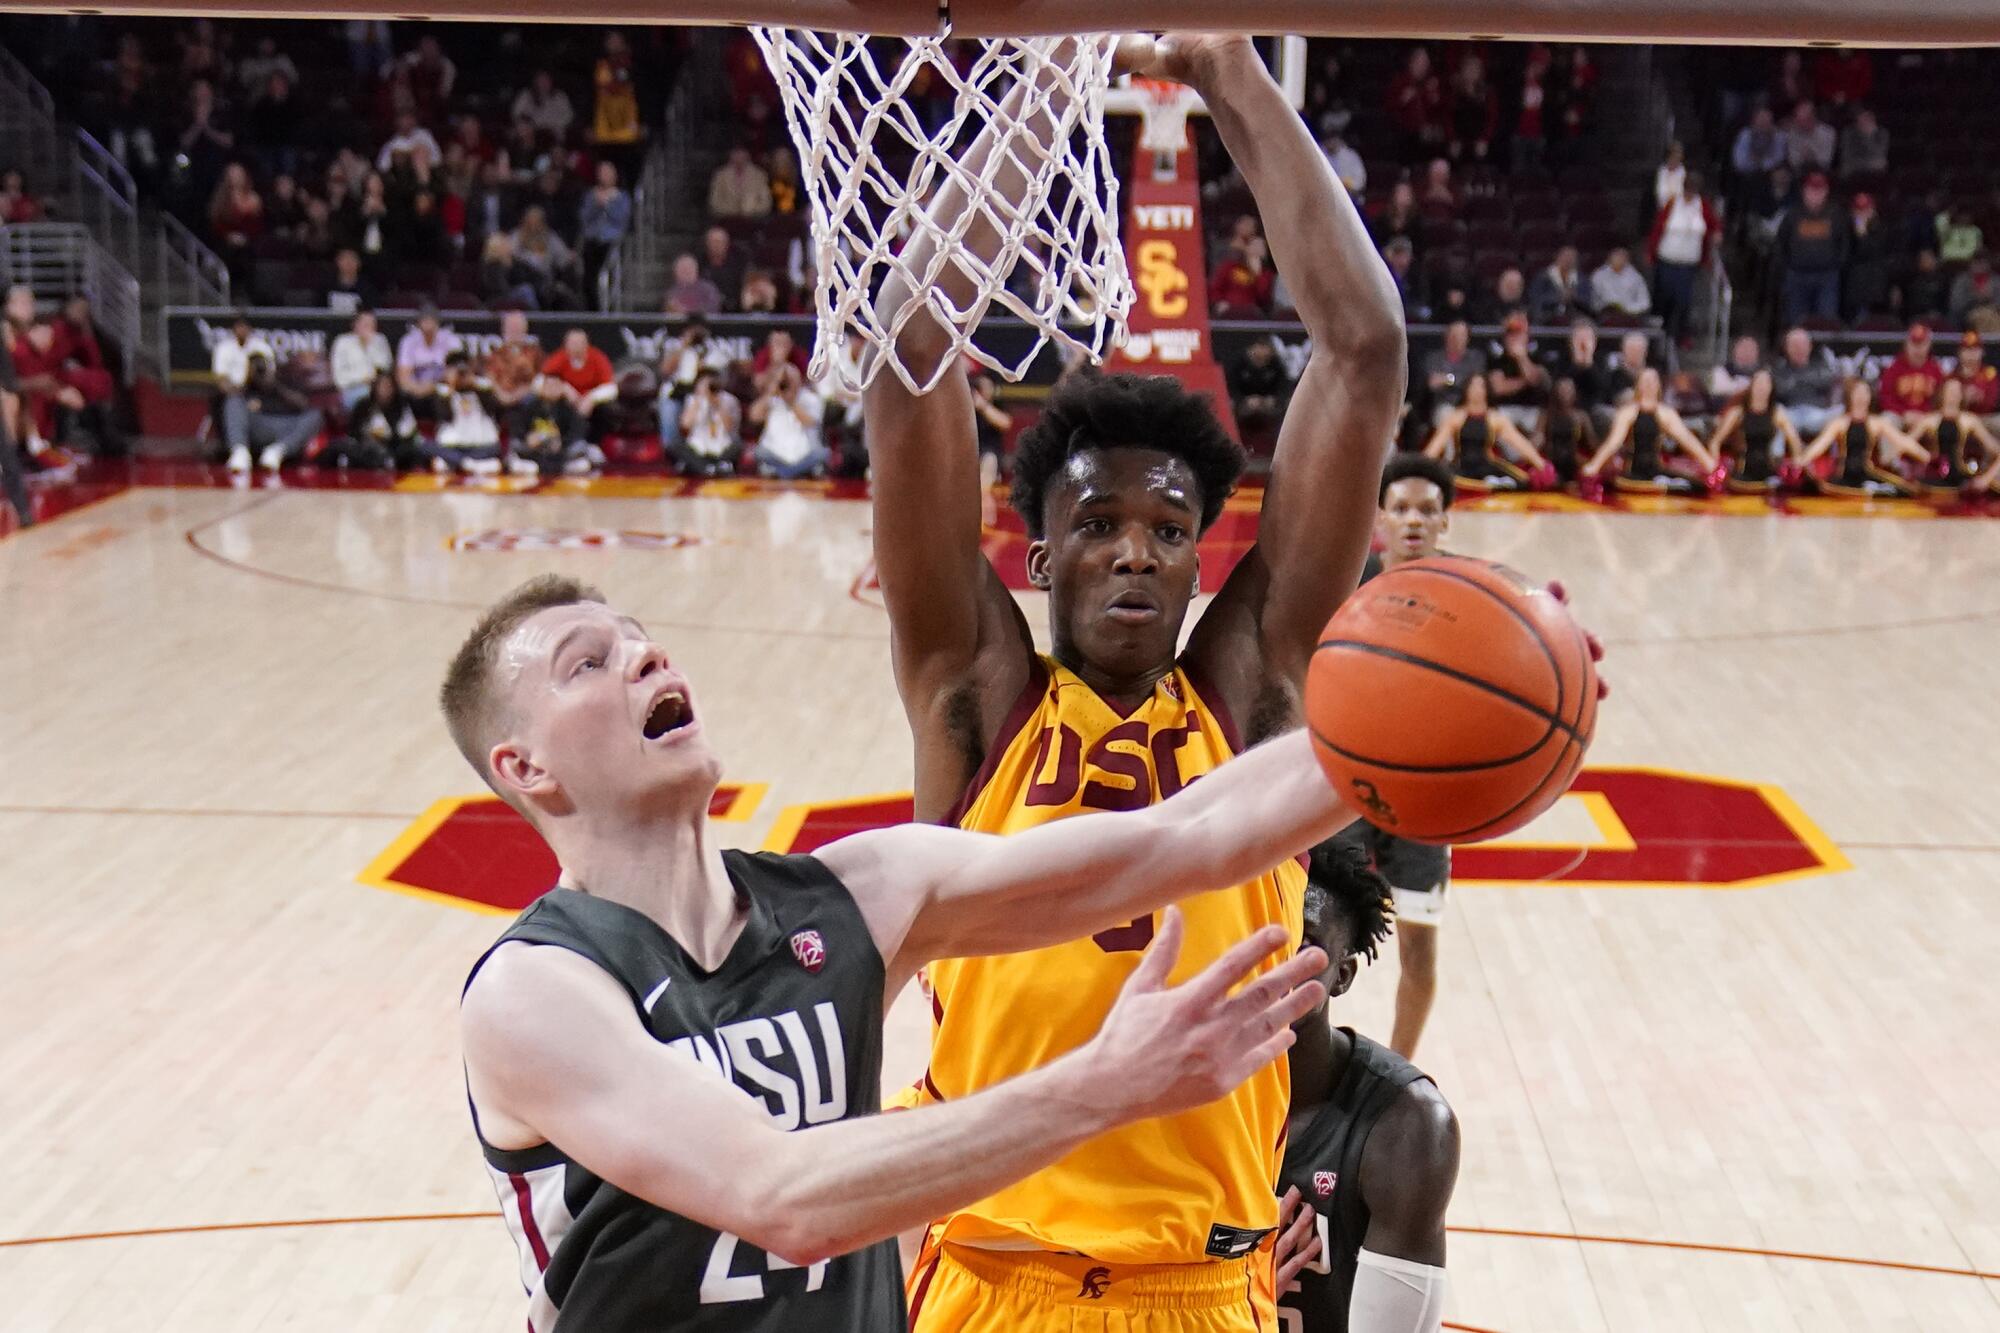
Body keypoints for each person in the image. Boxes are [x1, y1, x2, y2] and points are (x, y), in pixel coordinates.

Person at [863, 35, 1408, 1330]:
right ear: (1038, 554)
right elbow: (912, 342)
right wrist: (1052, 76)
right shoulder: (978, 698)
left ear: (1200, 557)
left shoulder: (1250, 694)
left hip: (1201, 1285)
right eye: (1099, 523)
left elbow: (1366, 351)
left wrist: (1226, 69)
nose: (1133, 552)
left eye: (1168, 530)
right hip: (992, 1277)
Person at [448, 566, 1359, 1330]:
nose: (643, 655)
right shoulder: (532, 993)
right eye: (588, 664)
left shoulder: (855, 895)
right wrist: (1106, 1083)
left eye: (639, 638)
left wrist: (1386, 740)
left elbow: (1191, 834)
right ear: (525, 767)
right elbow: (785, 1198)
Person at [1272, 839, 1459, 1331]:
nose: (1277, 960)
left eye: (1302, 943)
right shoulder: (1172, 1096)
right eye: (1267, 931)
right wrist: (1230, 1293)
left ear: (1342, 975)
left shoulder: (1409, 1126)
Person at [1582, 367, 1720, 494]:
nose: (1649, 384)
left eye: (1653, 380)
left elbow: (1686, 439)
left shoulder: (1666, 413)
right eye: (1645, 380)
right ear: (1639, 385)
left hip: (1655, 471)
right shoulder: (1628, 413)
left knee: (1696, 486)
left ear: (1659, 385)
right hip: (1632, 473)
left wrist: (1708, 462)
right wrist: (1594, 466)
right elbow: (1614, 442)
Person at [1801, 379, 1931, 497]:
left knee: (1905, 491)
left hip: (1867, 473)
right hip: (1843, 476)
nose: (1861, 396)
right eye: (1857, 392)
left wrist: (1926, 457)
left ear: (1870, 397)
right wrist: (1802, 460)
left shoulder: (1877, 423)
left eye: (1865, 392)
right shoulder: (1840, 423)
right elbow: (1820, 445)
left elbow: (1903, 442)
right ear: (1850, 396)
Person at [1422, 374, 1549, 491]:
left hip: (1487, 466)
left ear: (1486, 390)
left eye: (1481, 386)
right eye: (1473, 386)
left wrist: (1541, 465)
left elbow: (1520, 443)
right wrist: (1419, 467)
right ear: (1466, 390)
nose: (1477, 390)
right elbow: (1434, 448)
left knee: (1523, 483)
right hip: (1461, 469)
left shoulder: (1495, 418)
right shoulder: (1455, 417)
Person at [1707, 368, 1806, 492]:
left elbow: (1794, 441)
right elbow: (1715, 442)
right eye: (1758, 383)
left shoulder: (1776, 413)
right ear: (1752, 386)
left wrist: (1796, 465)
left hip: (1768, 473)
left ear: (1771, 388)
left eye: (1766, 383)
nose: (1762, 388)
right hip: (1742, 473)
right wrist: (1715, 468)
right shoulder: (1738, 413)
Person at [1646, 172, 1718, 343]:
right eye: (1688, 190)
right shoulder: (1672, 203)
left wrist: (1717, 234)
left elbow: (1715, 224)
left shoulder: (1703, 206)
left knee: (1683, 300)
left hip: (1688, 264)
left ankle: (1679, 335)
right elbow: (1657, 229)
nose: (1690, 194)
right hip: (1667, 261)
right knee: (1665, 297)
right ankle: (1660, 336)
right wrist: (1650, 252)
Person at [227, 351, 324, 472]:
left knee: (315, 415)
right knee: (233, 402)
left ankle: (276, 453)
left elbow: (302, 404)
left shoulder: (285, 380)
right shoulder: (245, 387)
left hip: (284, 427)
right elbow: (230, 406)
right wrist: (247, 380)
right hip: (258, 426)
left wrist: (274, 385)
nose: (260, 370)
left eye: (263, 366)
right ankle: (240, 453)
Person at [1775, 172, 1848, 325]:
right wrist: (1787, 266)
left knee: (1826, 321)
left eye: (1819, 190)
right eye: (1812, 190)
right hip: (1797, 275)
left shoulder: (1836, 214)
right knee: (1797, 323)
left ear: (1826, 191)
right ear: (1804, 191)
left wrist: (1836, 264)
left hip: (1826, 277)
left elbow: (1844, 243)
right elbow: (1781, 242)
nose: (1815, 194)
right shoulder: (1793, 214)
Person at [1908, 376, 2000, 492]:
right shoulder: (1929, 420)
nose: (1954, 394)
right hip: (1933, 481)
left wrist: (1986, 479)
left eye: (1957, 391)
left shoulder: (1970, 421)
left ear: (1962, 395)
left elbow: (1996, 451)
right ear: (1942, 394)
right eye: (1950, 390)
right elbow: (1905, 444)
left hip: (1961, 482)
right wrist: (1923, 456)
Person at [433, 350, 511, 476]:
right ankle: (469, 464)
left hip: (481, 445)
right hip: (454, 445)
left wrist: (474, 386)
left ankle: (461, 463)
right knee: (429, 449)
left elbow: (494, 410)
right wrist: (452, 387)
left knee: (494, 451)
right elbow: (445, 417)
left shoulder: (483, 386)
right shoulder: (442, 391)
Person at [747, 361, 829, 480]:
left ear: (799, 380)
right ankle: (793, 473)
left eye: (790, 380)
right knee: (758, 452)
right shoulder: (771, 399)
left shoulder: (811, 399)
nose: (787, 384)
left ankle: (784, 473)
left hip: (804, 452)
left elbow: (810, 422)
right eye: (784, 381)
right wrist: (771, 392)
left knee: (823, 454)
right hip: (774, 452)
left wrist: (790, 402)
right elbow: (754, 416)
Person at [328, 370, 419, 470]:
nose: (385, 390)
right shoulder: (363, 406)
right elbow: (354, 433)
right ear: (375, 387)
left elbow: (407, 433)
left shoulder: (401, 406)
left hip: (392, 450)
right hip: (364, 449)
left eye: (388, 386)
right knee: (340, 446)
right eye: (382, 386)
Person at [514, 376, 594, 478]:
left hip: (561, 454)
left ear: (561, 389)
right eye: (548, 385)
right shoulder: (529, 406)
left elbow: (577, 430)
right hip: (534, 452)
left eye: (555, 386)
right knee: (516, 445)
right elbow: (517, 427)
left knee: (580, 452)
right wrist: (528, 438)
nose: (551, 389)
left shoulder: (567, 408)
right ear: (542, 388)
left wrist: (562, 442)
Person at [396, 303, 461, 420]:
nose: (428, 325)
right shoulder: (409, 341)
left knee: (445, 393)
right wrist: (417, 388)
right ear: (419, 323)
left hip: (440, 388)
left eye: (431, 321)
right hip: (415, 389)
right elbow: (403, 376)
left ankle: (445, 430)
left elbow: (454, 373)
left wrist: (432, 387)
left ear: (437, 323)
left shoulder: (450, 339)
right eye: (425, 321)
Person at [1485, 313, 1548, 433]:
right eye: (1511, 334)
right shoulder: (1497, 355)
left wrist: (1522, 358)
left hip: (1532, 408)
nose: (1514, 339)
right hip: (1505, 408)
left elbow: (1536, 381)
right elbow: (1499, 388)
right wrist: (1525, 381)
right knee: (1500, 421)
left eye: (1519, 335)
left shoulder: (1535, 353)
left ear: (1526, 336)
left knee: (1543, 419)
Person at [578, 161, 632, 300]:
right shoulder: (591, 195)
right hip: (592, 240)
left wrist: (607, 205)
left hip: (611, 241)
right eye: (602, 172)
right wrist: (596, 205)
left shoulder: (622, 197)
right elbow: (584, 218)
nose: (605, 175)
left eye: (608, 172)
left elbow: (622, 219)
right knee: (588, 275)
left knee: (606, 269)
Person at [1772, 326, 1840, 436]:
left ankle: (1837, 453)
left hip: (1818, 414)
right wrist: (1809, 380)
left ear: (1810, 346)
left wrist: (1796, 380)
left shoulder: (1821, 365)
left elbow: (1826, 383)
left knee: (1841, 413)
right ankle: (1776, 453)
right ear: (1786, 348)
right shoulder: (1779, 369)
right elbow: (1781, 390)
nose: (1799, 348)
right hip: (1790, 414)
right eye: (1794, 345)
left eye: (1802, 344)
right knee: (1776, 414)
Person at [1874, 323, 1945, 428]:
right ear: (1906, 344)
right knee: (1887, 419)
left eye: (1921, 344)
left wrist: (1925, 414)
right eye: (1914, 344)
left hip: (1927, 417)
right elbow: (1885, 398)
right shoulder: (1893, 368)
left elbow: (1941, 399)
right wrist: (1903, 413)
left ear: (1929, 345)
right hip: (1900, 416)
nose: (1917, 349)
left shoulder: (1936, 370)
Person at [674, 367, 741, 477]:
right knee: (675, 445)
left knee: (737, 445)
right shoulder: (692, 399)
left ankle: (698, 467)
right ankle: (710, 468)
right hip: (698, 446)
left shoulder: (729, 400)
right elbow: (685, 425)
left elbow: (730, 428)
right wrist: (698, 401)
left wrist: (717, 404)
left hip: (722, 445)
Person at [1420, 320, 1485, 426]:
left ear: (1467, 338)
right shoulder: (1433, 358)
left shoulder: (1476, 358)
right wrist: (1460, 380)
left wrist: (1448, 379)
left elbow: (1473, 382)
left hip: (1470, 405)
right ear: (1446, 336)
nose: (1456, 339)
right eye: (1453, 334)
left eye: (1461, 335)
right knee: (1445, 415)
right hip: (1443, 405)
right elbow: (1433, 384)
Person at [1537, 376, 1597, 487]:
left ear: (1574, 393)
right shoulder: (1546, 415)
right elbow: (1538, 438)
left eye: (1569, 389)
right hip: (1552, 459)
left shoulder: (1581, 416)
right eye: (1562, 389)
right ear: (1555, 392)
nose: (1565, 393)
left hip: (1573, 460)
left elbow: (1592, 444)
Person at [330, 309, 393, 412]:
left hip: (378, 388)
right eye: (366, 324)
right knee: (368, 398)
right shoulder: (342, 342)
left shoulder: (380, 340)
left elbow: (385, 367)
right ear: (355, 325)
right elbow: (339, 379)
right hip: (352, 389)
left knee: (388, 395)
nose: (370, 328)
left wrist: (372, 346)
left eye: (373, 324)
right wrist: (363, 378)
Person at [1230, 338, 1292, 433]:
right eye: (1258, 358)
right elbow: (1229, 387)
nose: (1262, 361)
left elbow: (1284, 387)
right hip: (1244, 403)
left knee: (1287, 406)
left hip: (1267, 404)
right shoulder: (1238, 363)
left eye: (1265, 358)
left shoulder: (1276, 364)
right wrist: (1243, 400)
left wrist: (1274, 399)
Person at [708, 145, 773, 221]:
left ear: (747, 155)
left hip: (753, 220)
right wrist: (731, 212)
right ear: (731, 155)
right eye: (736, 153)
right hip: (726, 220)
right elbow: (714, 201)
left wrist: (750, 211)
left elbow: (766, 202)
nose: (739, 156)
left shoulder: (759, 175)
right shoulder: (720, 175)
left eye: (741, 153)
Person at [1587, 247, 1650, 319]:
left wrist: (1627, 309)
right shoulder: (1598, 276)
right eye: (1616, 258)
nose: (1619, 260)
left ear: (1627, 260)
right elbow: (1594, 300)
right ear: (1609, 259)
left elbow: (1645, 303)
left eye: (1621, 258)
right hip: (1604, 316)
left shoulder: (1636, 277)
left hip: (1630, 316)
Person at [664, 253, 723, 318]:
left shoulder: (708, 289)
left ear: (696, 270)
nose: (686, 273)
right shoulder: (672, 292)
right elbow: (668, 313)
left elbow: (712, 309)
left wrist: (687, 312)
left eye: (688, 269)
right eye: (682, 270)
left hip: (703, 325)